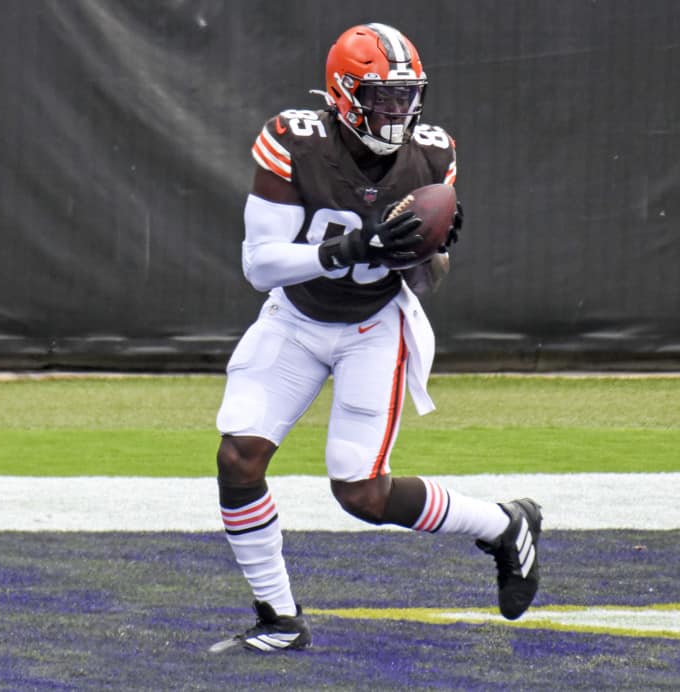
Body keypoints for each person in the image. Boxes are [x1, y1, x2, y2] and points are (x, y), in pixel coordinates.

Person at [211, 22, 542, 654]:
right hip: (297, 318)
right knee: (238, 459)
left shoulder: (434, 151)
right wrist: (352, 245)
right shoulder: (295, 140)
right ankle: (279, 618)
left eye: (405, 96)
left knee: (361, 493)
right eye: (381, 97)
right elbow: (260, 265)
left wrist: (430, 248)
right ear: (340, 94)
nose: (397, 111)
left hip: (373, 326)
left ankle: (503, 525)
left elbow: (428, 281)